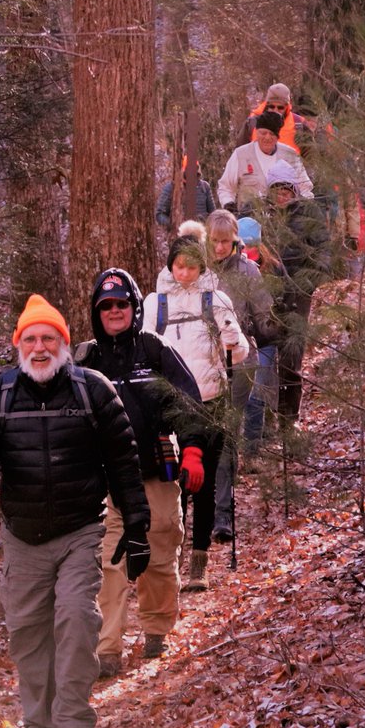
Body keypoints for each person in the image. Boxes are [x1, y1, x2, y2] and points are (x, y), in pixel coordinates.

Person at [0, 294, 151, 728]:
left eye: (48, 338)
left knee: (76, 619)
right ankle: (38, 727)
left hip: (80, 528)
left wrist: (138, 527)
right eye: (31, 339)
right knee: (28, 630)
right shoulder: (0, 393)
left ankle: (73, 726)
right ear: (19, 345)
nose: (39, 347)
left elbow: (124, 461)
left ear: (63, 344)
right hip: (22, 534)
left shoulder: (93, 389)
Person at [74, 269, 207, 678]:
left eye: (121, 304)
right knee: (108, 563)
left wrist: (194, 452)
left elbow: (189, 403)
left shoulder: (155, 350)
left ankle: (156, 627)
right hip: (106, 481)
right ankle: (107, 648)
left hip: (155, 472)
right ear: (97, 312)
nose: (114, 311)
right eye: (106, 306)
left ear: (134, 306)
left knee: (159, 555)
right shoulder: (86, 359)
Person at [142, 221, 249, 592]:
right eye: (178, 265)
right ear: (170, 266)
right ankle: (171, 557)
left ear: (202, 266)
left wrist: (234, 341)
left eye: (191, 265)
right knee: (172, 484)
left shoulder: (215, 300)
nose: (184, 272)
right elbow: (145, 352)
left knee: (202, 485)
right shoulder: (154, 304)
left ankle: (198, 563)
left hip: (211, 402)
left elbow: (241, 351)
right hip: (170, 406)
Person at [261, 161, 332, 432]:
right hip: (267, 293)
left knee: (292, 356)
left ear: (294, 190)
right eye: (276, 191)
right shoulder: (261, 216)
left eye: (286, 190)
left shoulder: (308, 213)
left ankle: (288, 422)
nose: (281, 196)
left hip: (298, 291)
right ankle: (265, 420)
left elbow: (323, 246)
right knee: (266, 357)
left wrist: (313, 278)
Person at [206, 209, 279, 454]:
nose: (219, 247)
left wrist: (273, 330)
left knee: (233, 420)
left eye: (225, 241)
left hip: (239, 356)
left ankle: (235, 465)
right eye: (214, 240)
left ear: (234, 240)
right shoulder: (198, 270)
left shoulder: (248, 270)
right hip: (203, 356)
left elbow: (262, 314)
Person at [218, 108, 313, 217]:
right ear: (256, 133)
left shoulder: (290, 155)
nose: (267, 137)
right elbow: (225, 187)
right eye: (263, 133)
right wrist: (229, 205)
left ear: (278, 136)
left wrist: (303, 209)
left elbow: (305, 188)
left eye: (272, 134)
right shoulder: (240, 154)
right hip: (250, 221)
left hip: (285, 223)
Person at [234, 82, 315, 152]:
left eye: (280, 108)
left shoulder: (299, 124)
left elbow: (311, 159)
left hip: (291, 169)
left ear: (287, 106)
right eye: (272, 107)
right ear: (266, 104)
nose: (275, 111)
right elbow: (240, 154)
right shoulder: (252, 123)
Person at [156, 157, 217, 229]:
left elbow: (213, 214)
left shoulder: (204, 187)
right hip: (179, 234)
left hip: (202, 233)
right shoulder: (171, 188)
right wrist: (174, 226)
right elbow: (160, 214)